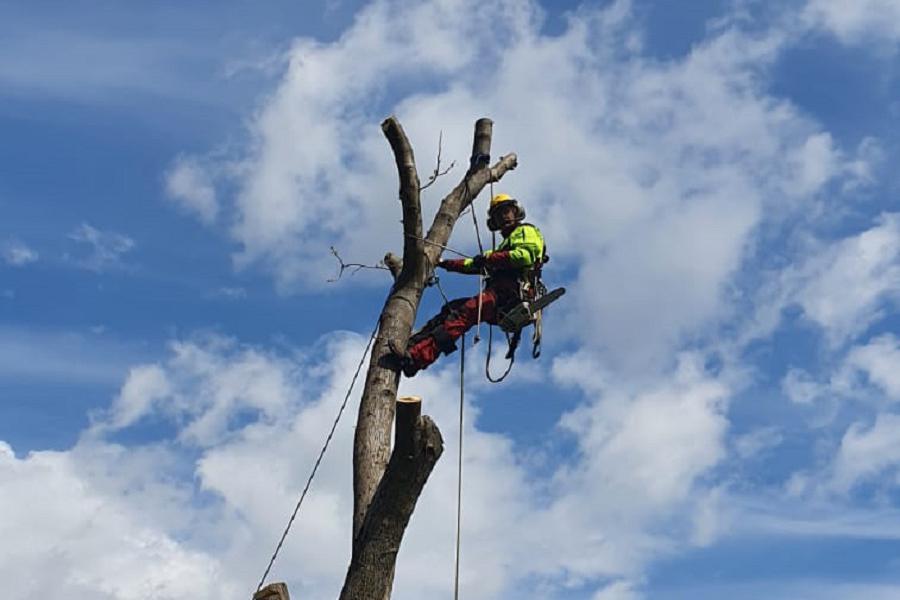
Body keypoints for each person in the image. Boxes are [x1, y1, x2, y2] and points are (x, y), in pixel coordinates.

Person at [390, 193, 547, 377]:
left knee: (465, 313)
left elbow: (524, 256)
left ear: (516, 211)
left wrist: (490, 259)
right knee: (452, 309)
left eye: (507, 211)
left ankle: (416, 358)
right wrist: (443, 263)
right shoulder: (500, 247)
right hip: (501, 299)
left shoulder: (526, 231)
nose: (504, 217)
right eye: (498, 215)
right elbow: (472, 265)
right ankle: (414, 344)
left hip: (513, 293)